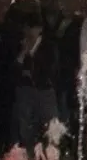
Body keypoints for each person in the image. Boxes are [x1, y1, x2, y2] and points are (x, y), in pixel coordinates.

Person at [10, 12, 59, 149]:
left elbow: (49, 70)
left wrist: (30, 63)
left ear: (40, 29)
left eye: (33, 28)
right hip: (24, 92)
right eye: (27, 28)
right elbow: (13, 70)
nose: (30, 32)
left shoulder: (48, 46)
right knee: (25, 127)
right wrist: (23, 53)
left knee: (49, 127)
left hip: (44, 91)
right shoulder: (19, 45)